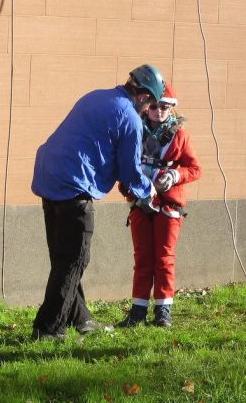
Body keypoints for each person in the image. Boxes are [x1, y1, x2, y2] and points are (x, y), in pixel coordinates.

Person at [31, 64, 166, 340]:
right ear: (143, 97)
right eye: (151, 103)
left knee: (64, 257)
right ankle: (48, 330)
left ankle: (80, 318)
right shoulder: (129, 116)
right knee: (74, 258)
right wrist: (147, 191)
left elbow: (94, 145)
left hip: (49, 176)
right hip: (73, 187)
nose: (148, 109)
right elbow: (130, 170)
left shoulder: (97, 96)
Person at [118, 83, 202, 328]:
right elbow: (124, 163)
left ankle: (163, 311)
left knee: (164, 258)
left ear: (172, 108)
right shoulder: (135, 130)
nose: (158, 112)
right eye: (154, 106)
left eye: (164, 107)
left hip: (168, 205)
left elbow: (195, 169)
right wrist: (128, 189)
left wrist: (175, 176)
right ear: (146, 107)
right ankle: (138, 311)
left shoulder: (180, 135)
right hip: (140, 204)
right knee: (143, 258)